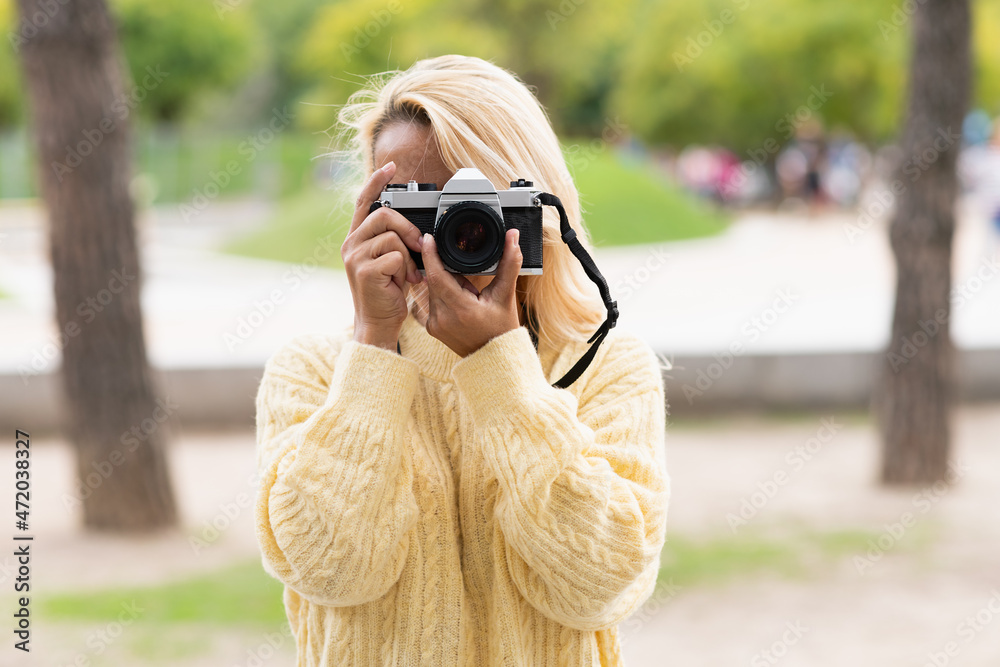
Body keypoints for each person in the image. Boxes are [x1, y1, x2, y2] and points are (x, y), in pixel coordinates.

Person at [253, 54, 670, 666]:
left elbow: (598, 586)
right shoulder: (313, 374)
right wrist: (373, 344)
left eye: (476, 206)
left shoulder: (607, 365)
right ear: (373, 214)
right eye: (420, 205)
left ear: (534, 208)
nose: (452, 234)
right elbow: (332, 572)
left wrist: (503, 373)